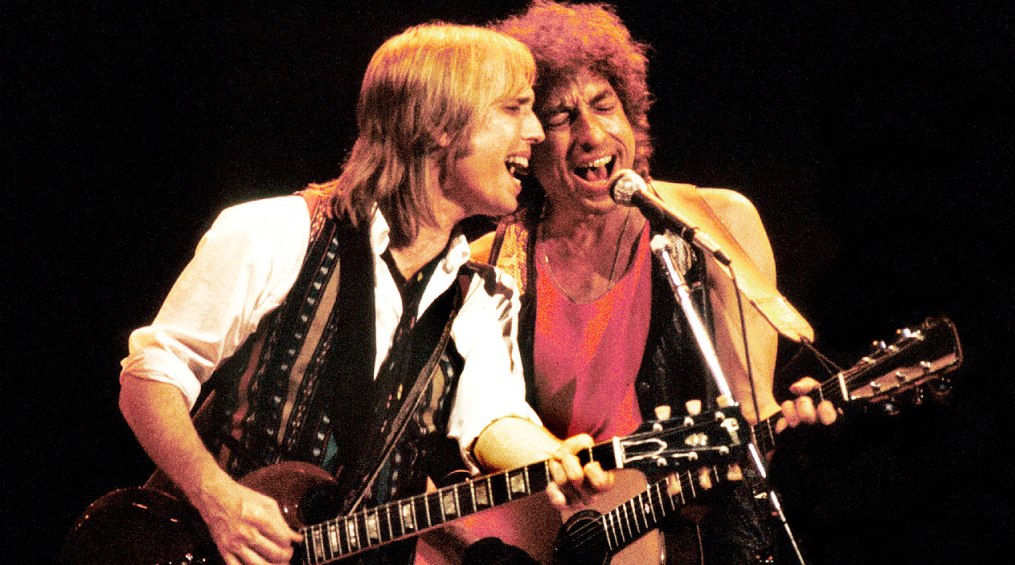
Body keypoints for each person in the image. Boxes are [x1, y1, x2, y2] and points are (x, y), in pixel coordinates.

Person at [117, 23, 611, 565]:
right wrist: (217, 498)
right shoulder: (278, 232)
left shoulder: (482, 294)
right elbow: (150, 378)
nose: (537, 132)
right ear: (439, 123)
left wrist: (553, 457)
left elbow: (491, 418)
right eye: (514, 108)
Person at [419, 2, 838, 564]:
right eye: (561, 117)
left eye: (604, 105)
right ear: (527, 139)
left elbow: (750, 413)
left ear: (631, 113)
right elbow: (454, 441)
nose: (592, 135)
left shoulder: (716, 225)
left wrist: (792, 426)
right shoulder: (487, 264)